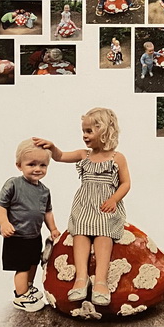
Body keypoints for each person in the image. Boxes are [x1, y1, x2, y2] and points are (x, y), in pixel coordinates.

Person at [32, 108, 131, 307]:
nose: (84, 136)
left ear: (104, 131)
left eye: (88, 131)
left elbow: (126, 183)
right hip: (85, 206)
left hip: (106, 208)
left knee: (104, 234)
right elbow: (60, 156)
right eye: (83, 131)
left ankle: (101, 282)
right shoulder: (83, 155)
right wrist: (52, 147)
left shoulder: (117, 158)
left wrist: (114, 199)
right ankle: (81, 278)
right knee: (80, 234)